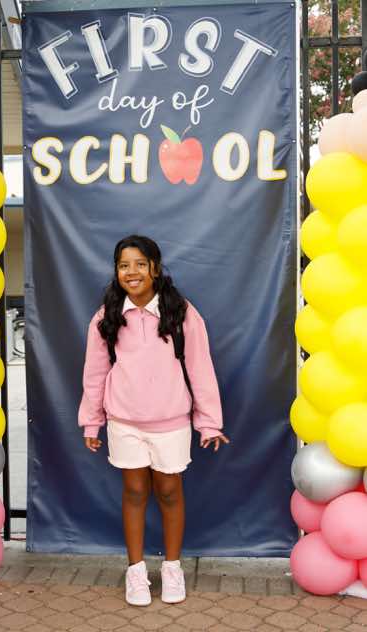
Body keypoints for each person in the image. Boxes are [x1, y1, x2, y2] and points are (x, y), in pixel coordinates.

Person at [78, 235, 229, 607]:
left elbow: (200, 367)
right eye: (123, 265)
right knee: (133, 492)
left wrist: (209, 422)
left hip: (171, 420)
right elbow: (95, 373)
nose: (132, 272)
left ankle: (173, 568)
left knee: (169, 491)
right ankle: (136, 572)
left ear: (155, 269)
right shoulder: (107, 316)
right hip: (124, 421)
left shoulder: (181, 312)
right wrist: (92, 421)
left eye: (140, 264)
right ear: (116, 272)